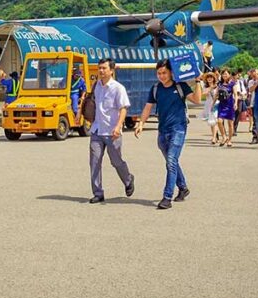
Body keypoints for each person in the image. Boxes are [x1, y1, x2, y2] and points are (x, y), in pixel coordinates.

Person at [136, 58, 202, 210]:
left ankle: (167, 197)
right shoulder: (155, 89)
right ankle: (183, 187)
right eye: (159, 73)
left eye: (164, 73)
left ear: (171, 72)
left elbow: (197, 100)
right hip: (162, 130)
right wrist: (141, 123)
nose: (161, 76)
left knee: (171, 160)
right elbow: (148, 107)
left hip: (178, 129)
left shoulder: (181, 86)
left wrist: (198, 82)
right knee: (172, 162)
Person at [88, 58, 134, 204]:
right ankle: (98, 192)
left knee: (116, 161)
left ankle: (128, 179)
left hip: (112, 131)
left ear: (111, 70)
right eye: (99, 68)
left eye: (104, 68)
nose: (101, 71)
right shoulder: (97, 86)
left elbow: (123, 108)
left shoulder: (118, 88)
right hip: (97, 130)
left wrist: (118, 126)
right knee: (94, 162)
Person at [215, 68, 236, 147]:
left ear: (229, 75)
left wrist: (236, 103)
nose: (225, 75)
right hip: (222, 104)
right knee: (219, 121)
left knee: (230, 124)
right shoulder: (219, 84)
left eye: (226, 74)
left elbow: (235, 94)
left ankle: (229, 140)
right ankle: (224, 136)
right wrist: (213, 104)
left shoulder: (232, 84)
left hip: (230, 104)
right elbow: (216, 94)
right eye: (223, 74)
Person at [201, 71, 220, 144]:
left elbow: (218, 95)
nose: (209, 78)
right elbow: (204, 94)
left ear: (213, 78)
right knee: (211, 122)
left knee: (215, 121)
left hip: (217, 104)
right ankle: (214, 136)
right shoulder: (205, 86)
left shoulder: (217, 86)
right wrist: (211, 87)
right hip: (209, 104)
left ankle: (214, 138)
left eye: (211, 77)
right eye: (208, 77)